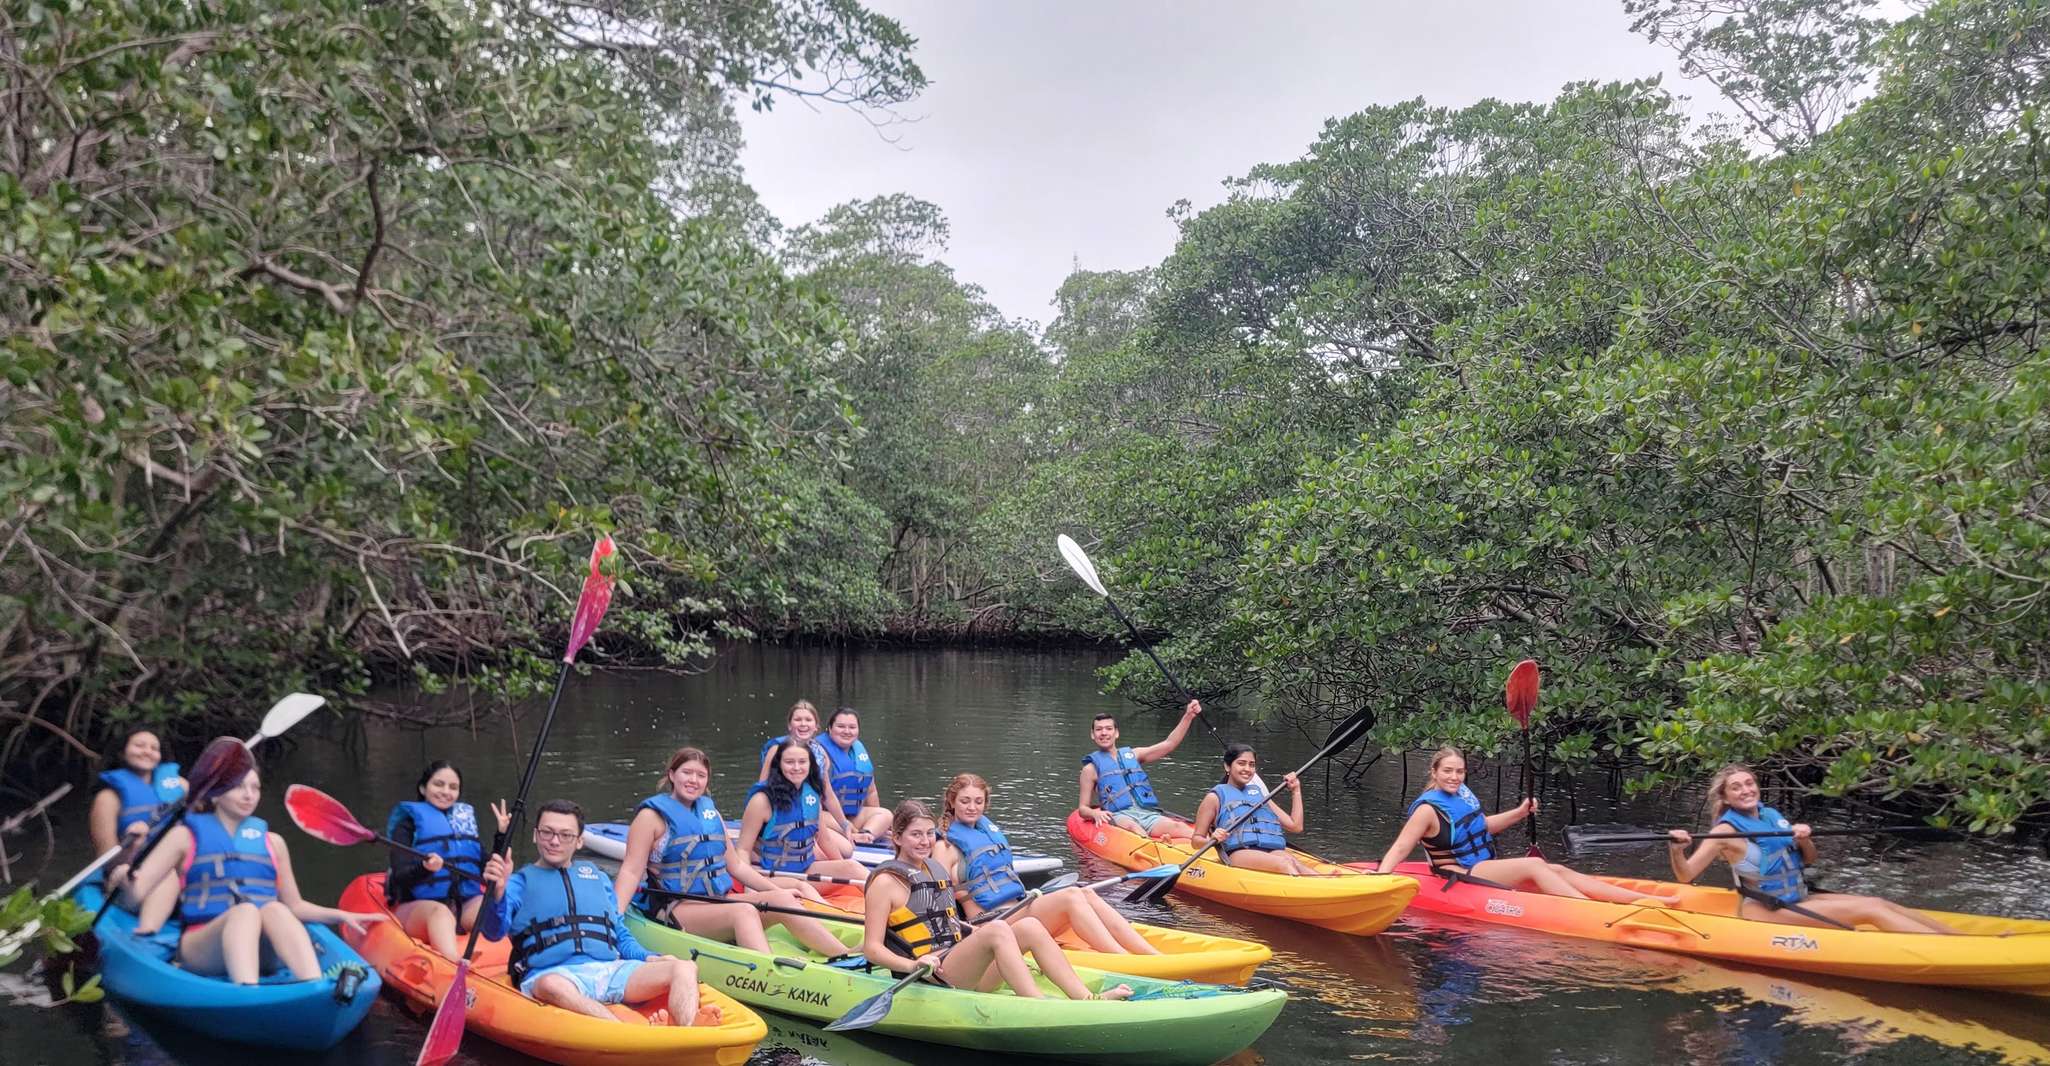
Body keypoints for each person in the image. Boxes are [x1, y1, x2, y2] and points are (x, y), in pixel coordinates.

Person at [128, 737, 384, 984]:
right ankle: (247, 989)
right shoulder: (183, 836)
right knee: (246, 911)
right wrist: (127, 870)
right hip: (203, 947)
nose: (249, 795)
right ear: (215, 794)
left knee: (276, 909)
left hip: (264, 951)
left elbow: (295, 906)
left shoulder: (274, 843)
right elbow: (134, 896)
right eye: (239, 786)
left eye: (255, 787)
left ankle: (314, 984)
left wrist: (341, 915)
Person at [480, 799, 722, 1025]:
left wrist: (649, 957)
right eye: (547, 832)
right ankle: (626, 1033)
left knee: (684, 967)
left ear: (579, 841)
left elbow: (619, 933)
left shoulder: (598, 879)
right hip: (556, 974)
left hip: (610, 970)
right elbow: (493, 931)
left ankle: (688, 1028)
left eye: (565, 835)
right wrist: (497, 891)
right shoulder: (519, 882)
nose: (554, 841)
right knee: (550, 985)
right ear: (535, 835)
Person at [862, 799, 1132, 1001]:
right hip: (930, 976)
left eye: (929, 833)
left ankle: (1087, 998)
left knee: (1029, 926)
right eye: (915, 834)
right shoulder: (885, 882)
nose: (925, 841)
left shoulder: (934, 869)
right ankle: (1038, 1006)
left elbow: (944, 919)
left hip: (959, 964)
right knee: (999, 929)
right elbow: (872, 949)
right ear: (897, 837)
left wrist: (970, 930)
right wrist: (913, 965)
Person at [612, 746, 852, 958]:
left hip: (717, 900)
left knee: (783, 900)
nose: (693, 780)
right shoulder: (651, 818)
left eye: (701, 775)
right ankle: (769, 973)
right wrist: (615, 918)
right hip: (677, 908)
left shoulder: (711, 815)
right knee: (743, 912)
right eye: (687, 773)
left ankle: (845, 956)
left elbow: (736, 866)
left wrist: (777, 891)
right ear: (672, 775)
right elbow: (631, 871)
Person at [1666, 764, 1957, 933]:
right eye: (1736, 787)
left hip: (1798, 896)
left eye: (1749, 783)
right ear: (1726, 798)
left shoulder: (1770, 816)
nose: (1746, 790)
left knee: (1878, 901)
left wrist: (1804, 840)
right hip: (1766, 909)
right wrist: (1677, 849)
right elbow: (1685, 875)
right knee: (1870, 911)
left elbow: (1808, 860)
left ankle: (1959, 939)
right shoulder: (1724, 831)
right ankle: (1944, 950)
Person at [1373, 746, 1679, 904]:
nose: (1454, 777)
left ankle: (1647, 901)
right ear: (1434, 772)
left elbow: (1481, 827)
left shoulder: (1461, 795)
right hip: (1456, 872)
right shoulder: (1427, 809)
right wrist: (1381, 879)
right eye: (1448, 771)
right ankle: (1591, 910)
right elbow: (1401, 846)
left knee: (1555, 869)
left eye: (1460, 771)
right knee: (1535, 865)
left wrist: (1520, 812)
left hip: (1478, 865)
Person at [938, 773, 1159, 956]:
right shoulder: (945, 846)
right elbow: (937, 901)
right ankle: (1122, 958)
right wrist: (964, 932)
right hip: (990, 922)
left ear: (985, 803)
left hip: (1018, 908)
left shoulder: (985, 833)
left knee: (1086, 893)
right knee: (1071, 896)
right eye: (965, 801)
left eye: (978, 801)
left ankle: (1150, 954)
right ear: (952, 801)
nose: (972, 807)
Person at [384, 760, 509, 957]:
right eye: (438, 784)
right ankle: (453, 965)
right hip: (420, 908)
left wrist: (501, 835)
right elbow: (400, 876)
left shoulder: (463, 825)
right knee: (440, 913)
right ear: (423, 788)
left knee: (491, 908)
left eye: (453, 787)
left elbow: (488, 867)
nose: (446, 791)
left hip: (463, 906)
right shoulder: (407, 826)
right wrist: (424, 868)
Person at [736, 739, 869, 892]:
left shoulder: (812, 794)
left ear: (810, 764)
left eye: (802, 762)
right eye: (789, 762)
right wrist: (749, 886)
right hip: (773, 875)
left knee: (853, 867)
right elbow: (743, 849)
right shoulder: (761, 800)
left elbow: (824, 839)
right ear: (779, 764)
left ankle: (889, 900)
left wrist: (841, 868)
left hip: (805, 870)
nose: (796, 768)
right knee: (804, 888)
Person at [93, 728, 186, 927]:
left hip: (179, 878)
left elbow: (210, 805)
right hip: (129, 878)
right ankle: (146, 931)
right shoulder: (108, 799)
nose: (147, 751)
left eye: (154, 748)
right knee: (166, 873)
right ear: (122, 752)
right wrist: (131, 847)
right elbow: (107, 863)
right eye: (139, 745)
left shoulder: (179, 786)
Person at [1076, 699, 1205, 842]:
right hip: (1120, 816)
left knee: (1178, 826)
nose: (1104, 733)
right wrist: (1095, 814)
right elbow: (1083, 809)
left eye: (1108, 728)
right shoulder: (1090, 770)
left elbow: (1169, 744)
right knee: (1134, 828)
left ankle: (1210, 846)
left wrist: (1188, 716)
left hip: (1147, 814)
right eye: (1099, 729)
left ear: (1116, 733)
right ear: (1093, 734)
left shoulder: (1134, 754)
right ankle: (1158, 845)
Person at [755, 699, 858, 859]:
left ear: (816, 726)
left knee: (847, 850)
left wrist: (845, 825)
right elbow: (761, 788)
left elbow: (828, 794)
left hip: (810, 814)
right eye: (798, 719)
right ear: (790, 725)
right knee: (821, 856)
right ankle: (760, 848)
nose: (803, 724)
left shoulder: (820, 753)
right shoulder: (776, 750)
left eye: (808, 720)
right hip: (783, 816)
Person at [1190, 744, 1312, 874]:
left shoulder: (1261, 796)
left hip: (1270, 850)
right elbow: (1196, 841)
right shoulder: (1214, 798)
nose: (1247, 769)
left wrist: (1296, 790)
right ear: (1227, 766)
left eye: (1252, 765)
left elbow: (1296, 826)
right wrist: (1212, 839)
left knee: (1296, 864)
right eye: (1241, 763)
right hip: (1238, 853)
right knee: (1284, 863)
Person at [819, 708, 892, 839]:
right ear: (830, 728)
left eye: (852, 727)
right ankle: (852, 835)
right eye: (841, 726)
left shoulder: (858, 751)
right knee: (816, 816)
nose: (847, 731)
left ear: (858, 730)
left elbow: (871, 792)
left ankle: (867, 835)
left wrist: (881, 825)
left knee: (885, 815)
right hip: (827, 817)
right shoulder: (818, 753)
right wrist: (843, 823)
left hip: (852, 817)